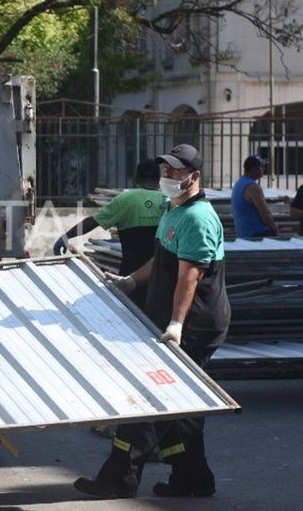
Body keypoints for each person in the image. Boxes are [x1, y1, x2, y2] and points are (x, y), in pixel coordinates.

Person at [74, 144, 230, 500]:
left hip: (193, 325)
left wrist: (176, 324)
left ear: (195, 176)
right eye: (166, 170)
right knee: (184, 404)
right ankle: (192, 478)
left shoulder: (197, 218)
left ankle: (118, 480)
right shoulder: (173, 210)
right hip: (176, 320)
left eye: (176, 171)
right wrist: (130, 281)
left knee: (147, 399)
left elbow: (189, 276)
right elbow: (162, 262)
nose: (169, 176)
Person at [53, 158, 164, 308]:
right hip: (162, 279)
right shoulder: (170, 201)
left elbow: (92, 222)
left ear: (136, 178)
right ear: (159, 178)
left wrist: (66, 236)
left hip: (130, 277)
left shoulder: (125, 200)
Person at [230, 155, 279, 238]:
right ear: (254, 169)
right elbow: (266, 215)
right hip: (257, 234)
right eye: (262, 167)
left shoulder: (239, 183)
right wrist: (274, 228)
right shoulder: (252, 187)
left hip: (243, 234)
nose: (263, 169)